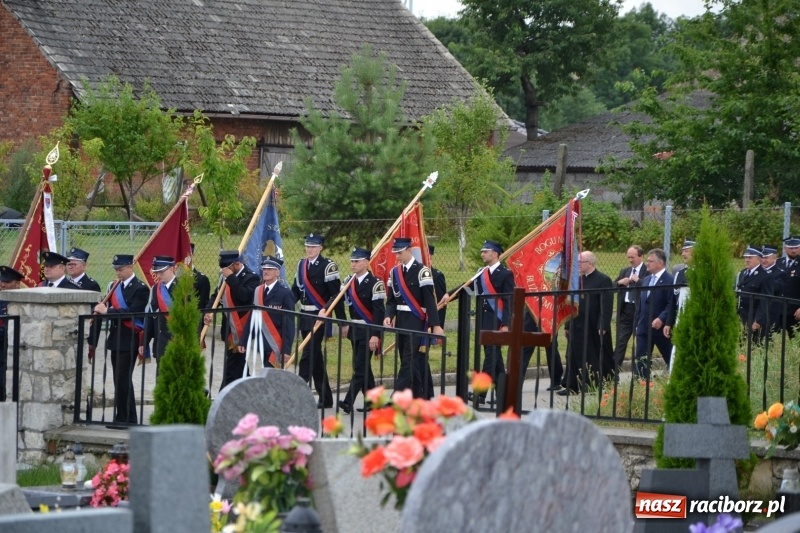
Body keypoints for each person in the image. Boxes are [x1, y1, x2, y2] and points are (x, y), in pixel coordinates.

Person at [439, 240, 514, 404]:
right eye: (482, 251)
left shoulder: (505, 274)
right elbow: (467, 287)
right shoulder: (482, 272)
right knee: (496, 359)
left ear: (495, 253)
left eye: (485, 251)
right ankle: (506, 393)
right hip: (484, 321)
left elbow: (509, 301)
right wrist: (448, 295)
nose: (482, 254)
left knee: (490, 356)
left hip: (497, 321)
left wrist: (506, 324)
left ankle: (480, 394)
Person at [89, 254, 149, 425]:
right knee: (119, 379)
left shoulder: (141, 288)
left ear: (131, 267)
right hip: (116, 338)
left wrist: (107, 312)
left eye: (121, 269)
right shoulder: (114, 286)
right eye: (116, 269)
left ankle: (124, 418)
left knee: (123, 379)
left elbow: (133, 313)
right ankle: (127, 417)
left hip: (129, 339)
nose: (118, 272)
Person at [291, 234, 346, 409]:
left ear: (321, 247)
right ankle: (326, 398)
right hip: (305, 316)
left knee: (307, 356)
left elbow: (336, 295)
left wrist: (341, 320)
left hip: (319, 317)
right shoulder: (301, 264)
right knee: (316, 358)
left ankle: (297, 396)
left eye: (313, 247)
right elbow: (296, 291)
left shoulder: (328, 266)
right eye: (307, 246)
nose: (309, 249)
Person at [384, 237, 444, 399]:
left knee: (408, 362)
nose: (397, 256)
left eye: (400, 252)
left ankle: (395, 398)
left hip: (416, 321)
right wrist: (389, 315)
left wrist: (436, 324)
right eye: (395, 253)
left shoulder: (422, 271)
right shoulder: (394, 272)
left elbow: (430, 301)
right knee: (411, 361)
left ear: (409, 250)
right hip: (401, 322)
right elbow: (391, 300)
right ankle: (420, 397)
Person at [204, 250, 261, 391]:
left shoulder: (251, 278)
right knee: (239, 365)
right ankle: (247, 391)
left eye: (226, 267)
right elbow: (216, 295)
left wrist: (231, 279)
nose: (223, 270)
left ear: (237, 264)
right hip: (229, 328)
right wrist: (209, 310)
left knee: (232, 366)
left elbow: (244, 297)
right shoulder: (225, 277)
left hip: (242, 329)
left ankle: (223, 396)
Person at [338, 247, 385, 414]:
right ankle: (374, 401)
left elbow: (379, 313)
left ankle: (348, 401)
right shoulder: (348, 281)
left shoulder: (375, 284)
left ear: (366, 262)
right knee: (363, 367)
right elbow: (337, 299)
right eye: (352, 261)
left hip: (369, 330)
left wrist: (375, 335)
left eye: (357, 261)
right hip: (355, 329)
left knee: (360, 366)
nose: (353, 264)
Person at [561, 251, 614, 394]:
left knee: (591, 354)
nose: (577, 265)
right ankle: (572, 385)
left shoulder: (603, 280)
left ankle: (591, 384)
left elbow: (606, 304)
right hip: (576, 323)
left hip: (592, 325)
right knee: (573, 353)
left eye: (580, 263)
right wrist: (567, 325)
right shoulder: (577, 280)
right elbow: (571, 303)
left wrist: (603, 324)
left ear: (590, 263)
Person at [238, 256, 295, 371]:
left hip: (276, 342)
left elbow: (289, 323)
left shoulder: (285, 293)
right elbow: (252, 318)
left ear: (277, 272)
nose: (266, 271)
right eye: (264, 269)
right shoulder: (258, 291)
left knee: (273, 377)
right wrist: (244, 341)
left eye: (270, 269)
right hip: (261, 342)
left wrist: (286, 350)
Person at [633, 248, 674, 379]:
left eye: (650, 261)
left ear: (660, 263)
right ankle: (642, 383)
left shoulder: (669, 280)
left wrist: (661, 319)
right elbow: (641, 303)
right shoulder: (646, 280)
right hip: (644, 328)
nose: (647, 263)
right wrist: (638, 322)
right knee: (641, 360)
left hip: (661, 328)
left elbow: (671, 304)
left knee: (670, 357)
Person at [140, 256, 177, 364]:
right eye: (156, 272)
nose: (158, 275)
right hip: (161, 344)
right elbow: (151, 317)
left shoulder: (183, 287)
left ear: (171, 268)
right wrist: (144, 342)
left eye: (161, 272)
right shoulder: (156, 289)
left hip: (177, 343)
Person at [613, 245, 645, 368]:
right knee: (620, 343)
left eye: (633, 257)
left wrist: (638, 281)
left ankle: (641, 373)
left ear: (641, 257)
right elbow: (611, 286)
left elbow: (650, 289)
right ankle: (612, 374)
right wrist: (619, 283)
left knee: (641, 344)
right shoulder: (625, 271)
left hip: (640, 311)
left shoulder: (647, 271)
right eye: (628, 257)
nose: (630, 260)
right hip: (626, 311)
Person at [664, 239, 694, 371]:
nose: (683, 254)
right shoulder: (680, 274)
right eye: (683, 251)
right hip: (681, 319)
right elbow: (673, 302)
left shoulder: (705, 272)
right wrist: (668, 322)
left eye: (687, 251)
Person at [736, 245, 773, 345]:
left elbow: (765, 300)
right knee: (741, 346)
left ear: (759, 259)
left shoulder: (765, 276)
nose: (747, 260)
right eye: (746, 257)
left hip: (753, 318)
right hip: (742, 316)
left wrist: (758, 320)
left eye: (750, 257)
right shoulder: (743, 273)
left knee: (753, 347)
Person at [0, 266, 23, 401]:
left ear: (17, 284)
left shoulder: (21, 302)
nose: (3, 285)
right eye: (1, 281)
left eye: (7, 282)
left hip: (10, 353)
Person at [775, 236, 800, 336]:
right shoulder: (777, 263)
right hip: (777, 310)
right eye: (791, 248)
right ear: (785, 249)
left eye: (796, 247)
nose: (794, 250)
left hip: (795, 312)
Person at [760, 244, 787, 335]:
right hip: (756, 311)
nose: (763, 260)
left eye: (766, 258)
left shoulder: (780, 274)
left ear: (774, 258)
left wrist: (764, 276)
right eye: (762, 258)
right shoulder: (757, 271)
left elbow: (775, 288)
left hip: (770, 314)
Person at [188, 243, 211, 311]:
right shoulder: (171, 279)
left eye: (187, 255)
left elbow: (202, 308)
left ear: (192, 255)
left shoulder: (202, 280)